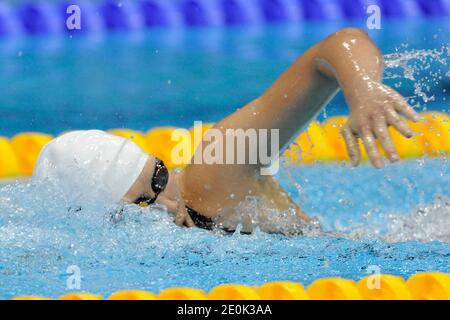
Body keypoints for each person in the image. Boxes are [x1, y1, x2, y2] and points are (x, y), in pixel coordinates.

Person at [34, 28, 420, 234]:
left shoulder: (213, 173)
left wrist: (362, 90)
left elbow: (341, 43)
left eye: (160, 177)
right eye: (140, 206)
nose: (167, 206)